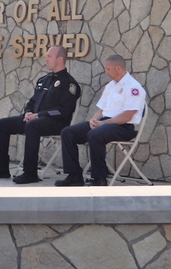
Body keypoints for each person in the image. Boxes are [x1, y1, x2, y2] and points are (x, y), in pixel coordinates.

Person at [0, 45, 80, 183]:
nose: (46, 59)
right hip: (35, 119)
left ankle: (30, 172)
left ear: (60, 59)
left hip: (56, 123)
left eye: (49, 56)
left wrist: (39, 115)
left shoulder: (69, 84)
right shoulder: (43, 80)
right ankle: (1, 168)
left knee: (33, 125)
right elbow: (32, 102)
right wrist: (28, 112)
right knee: (2, 124)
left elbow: (63, 111)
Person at [56, 54, 146, 187]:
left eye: (108, 69)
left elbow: (127, 116)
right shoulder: (110, 86)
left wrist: (103, 123)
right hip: (104, 122)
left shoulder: (133, 87)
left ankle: (99, 178)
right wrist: (94, 120)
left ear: (119, 68)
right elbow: (101, 110)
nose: (106, 71)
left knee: (95, 134)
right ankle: (74, 175)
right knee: (68, 132)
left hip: (123, 126)